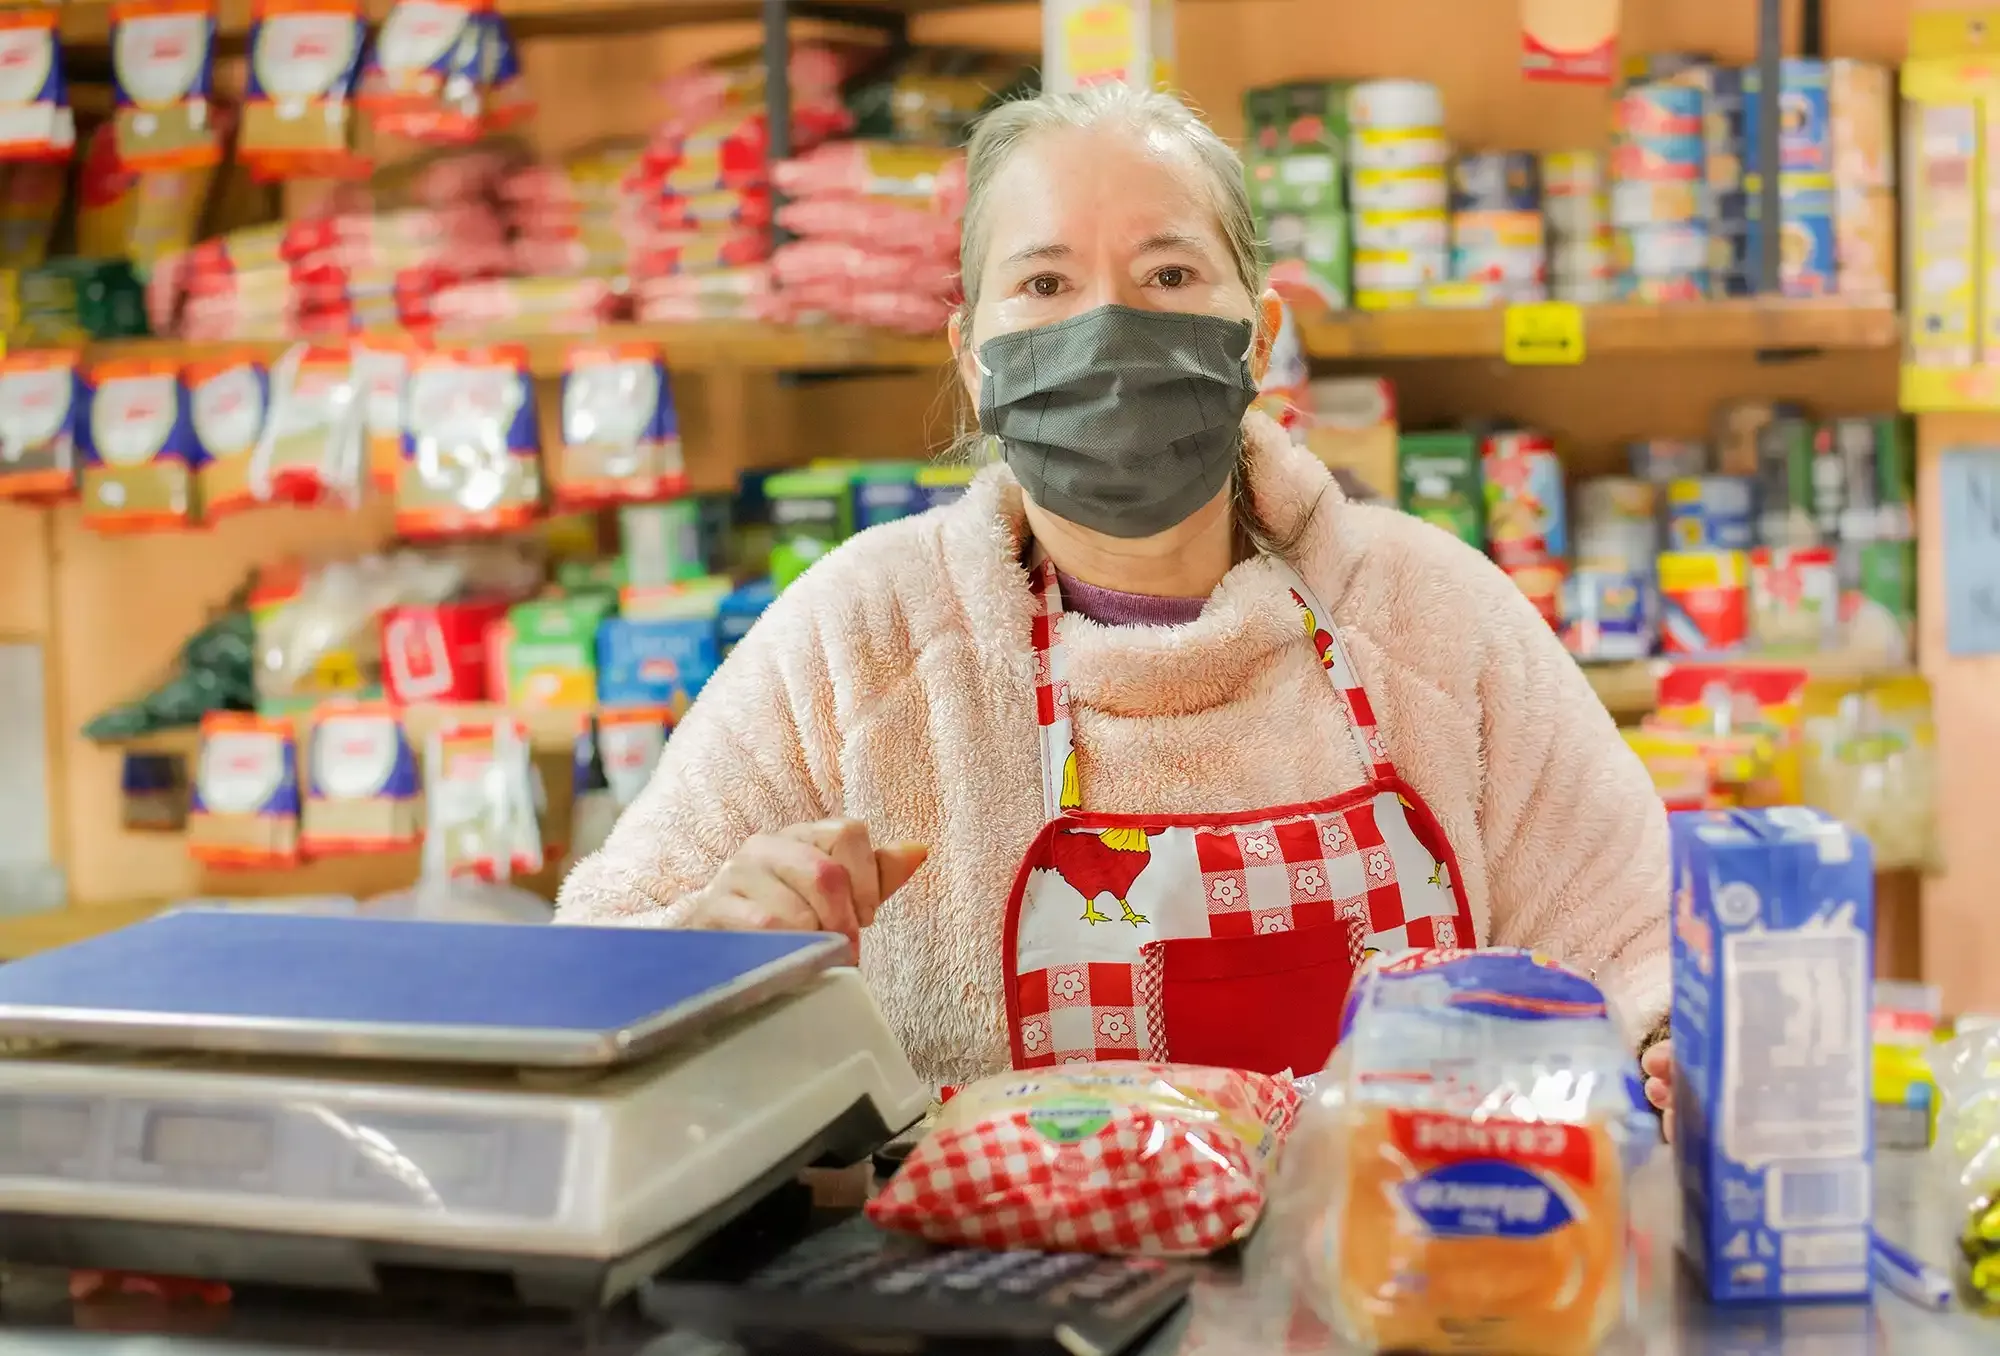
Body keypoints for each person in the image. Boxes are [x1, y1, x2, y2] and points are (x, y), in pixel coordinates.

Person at [558, 84, 1677, 1131]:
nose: (1107, 332)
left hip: (1392, 1255)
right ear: (974, 358)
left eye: (1169, 276)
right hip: (992, 1276)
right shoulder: (860, 637)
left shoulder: (1434, 612)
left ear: (1260, 337)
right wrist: (711, 952)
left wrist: (1672, 1044)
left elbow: (1637, 938)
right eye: (1045, 286)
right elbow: (594, 980)